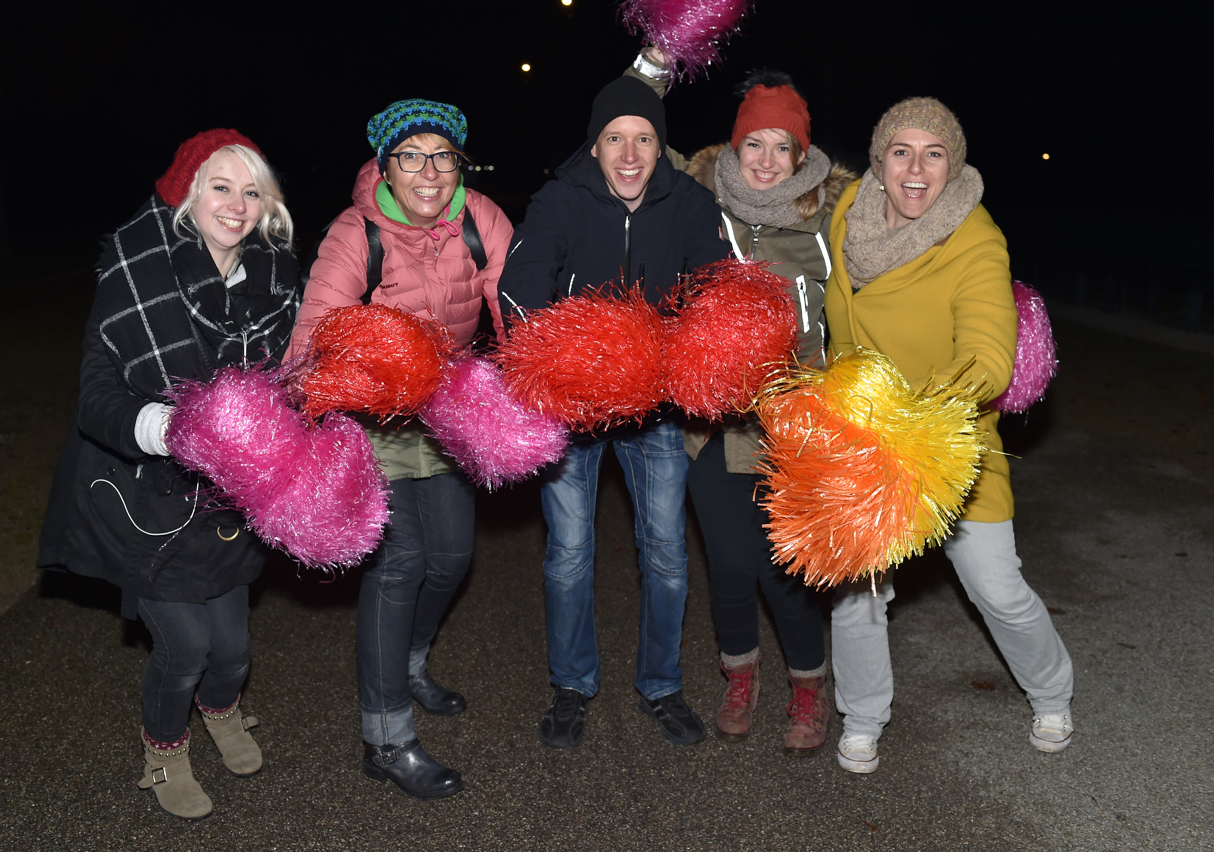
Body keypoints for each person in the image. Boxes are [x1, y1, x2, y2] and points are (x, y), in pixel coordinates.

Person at [37, 129, 301, 819]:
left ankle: (222, 709)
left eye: (252, 191)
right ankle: (164, 752)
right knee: (184, 648)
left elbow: (296, 385)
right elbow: (97, 397)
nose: (237, 204)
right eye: (221, 186)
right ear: (188, 195)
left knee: (234, 651)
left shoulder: (276, 286)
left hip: (228, 503)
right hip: (146, 500)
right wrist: (170, 429)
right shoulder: (135, 277)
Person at [824, 97, 1075, 773]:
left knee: (997, 588)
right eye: (901, 151)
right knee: (857, 594)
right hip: (867, 443)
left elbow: (989, 355)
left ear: (953, 166)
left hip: (951, 442)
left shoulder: (975, 239)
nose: (916, 168)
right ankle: (863, 715)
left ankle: (1053, 693)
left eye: (934, 154)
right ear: (878, 162)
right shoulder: (849, 213)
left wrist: (928, 417)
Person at [625, 49, 856, 753]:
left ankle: (811, 690)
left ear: (800, 152)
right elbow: (627, 134)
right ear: (734, 144)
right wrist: (653, 63)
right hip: (712, 424)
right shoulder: (699, 199)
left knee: (785, 571)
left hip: (794, 423)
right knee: (727, 564)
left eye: (779, 146)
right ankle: (739, 676)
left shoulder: (831, 218)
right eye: (751, 143)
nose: (763, 159)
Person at [497, 75, 730, 750]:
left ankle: (661, 685)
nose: (630, 155)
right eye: (615, 139)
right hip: (573, 413)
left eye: (645, 139)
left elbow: (713, 294)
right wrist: (565, 363)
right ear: (595, 146)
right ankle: (572, 685)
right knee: (569, 553)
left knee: (666, 555)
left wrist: (682, 360)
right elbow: (523, 287)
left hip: (654, 415)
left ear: (662, 147)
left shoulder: (689, 203)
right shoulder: (560, 201)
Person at [288, 99, 510, 800]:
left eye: (442, 156)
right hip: (371, 417)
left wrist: (540, 382)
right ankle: (385, 737)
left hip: (445, 415)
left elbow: (517, 303)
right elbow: (316, 324)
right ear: (385, 166)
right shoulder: (357, 233)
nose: (428, 170)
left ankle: (410, 663)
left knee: (451, 559)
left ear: (459, 167)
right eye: (410, 155)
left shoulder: (482, 220)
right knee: (400, 564)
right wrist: (302, 410)